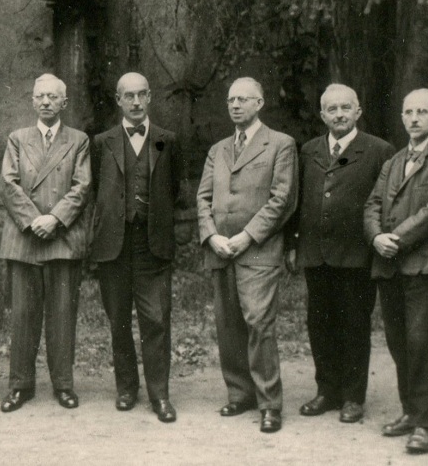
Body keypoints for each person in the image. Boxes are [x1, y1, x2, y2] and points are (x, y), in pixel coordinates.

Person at [363, 88, 428, 454]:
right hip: (391, 263)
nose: (414, 118)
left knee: (421, 341)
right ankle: (410, 412)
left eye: (423, 112)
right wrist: (376, 236)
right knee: (398, 342)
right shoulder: (393, 162)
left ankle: (424, 424)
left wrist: (395, 237)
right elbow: (373, 203)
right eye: (408, 112)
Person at [286, 84, 395, 423]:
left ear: (358, 111)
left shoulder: (379, 150)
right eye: (331, 109)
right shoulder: (309, 151)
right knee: (319, 323)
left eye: (346, 107)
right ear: (322, 115)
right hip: (316, 253)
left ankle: (352, 396)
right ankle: (327, 390)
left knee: (354, 324)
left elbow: (388, 203)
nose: (339, 114)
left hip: (357, 255)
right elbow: (296, 200)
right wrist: (293, 243)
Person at [196, 77, 298, 433]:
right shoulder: (218, 149)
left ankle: (270, 403)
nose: (235, 105)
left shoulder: (281, 145)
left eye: (243, 99)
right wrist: (210, 236)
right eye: (230, 100)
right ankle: (240, 394)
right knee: (228, 325)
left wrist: (246, 236)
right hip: (221, 250)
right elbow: (203, 199)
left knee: (258, 322)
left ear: (260, 103)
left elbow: (282, 200)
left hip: (258, 250)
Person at [90, 72, 183, 423]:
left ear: (150, 97)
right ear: (118, 100)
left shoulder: (167, 140)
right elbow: (98, 189)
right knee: (118, 321)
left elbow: (174, 188)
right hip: (113, 244)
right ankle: (126, 388)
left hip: (152, 244)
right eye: (128, 96)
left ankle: (160, 394)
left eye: (142, 94)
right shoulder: (101, 142)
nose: (136, 102)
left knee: (156, 319)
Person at [0, 73, 91, 412]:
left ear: (64, 102)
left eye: (53, 97)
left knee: (62, 314)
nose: (47, 102)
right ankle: (20, 386)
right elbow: (8, 185)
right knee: (23, 315)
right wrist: (32, 219)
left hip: (62, 237)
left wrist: (54, 219)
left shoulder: (78, 140)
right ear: (32, 101)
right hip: (25, 238)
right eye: (40, 96)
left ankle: (63, 384)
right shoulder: (17, 139)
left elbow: (82, 186)